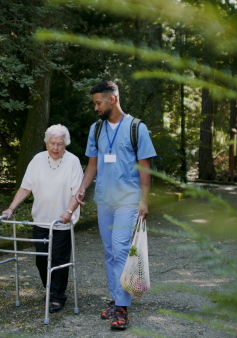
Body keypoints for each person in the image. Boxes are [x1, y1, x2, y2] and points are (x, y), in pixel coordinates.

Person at [75, 80, 156, 330]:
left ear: (112, 99)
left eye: (98, 103)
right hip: (104, 199)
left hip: (128, 200)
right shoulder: (96, 130)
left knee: (121, 249)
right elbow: (92, 164)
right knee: (110, 251)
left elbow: (145, 167)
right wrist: (82, 188)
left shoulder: (136, 128)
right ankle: (114, 298)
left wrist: (144, 200)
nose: (95, 107)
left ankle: (122, 308)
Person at [2, 124, 83, 314]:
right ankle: (49, 289)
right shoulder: (38, 160)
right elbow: (25, 188)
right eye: (52, 143)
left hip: (61, 221)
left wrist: (69, 212)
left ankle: (57, 297)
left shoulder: (72, 161)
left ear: (65, 145)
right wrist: (11, 208)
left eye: (60, 144)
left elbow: (77, 193)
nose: (55, 148)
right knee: (41, 260)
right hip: (40, 219)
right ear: (46, 143)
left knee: (58, 260)